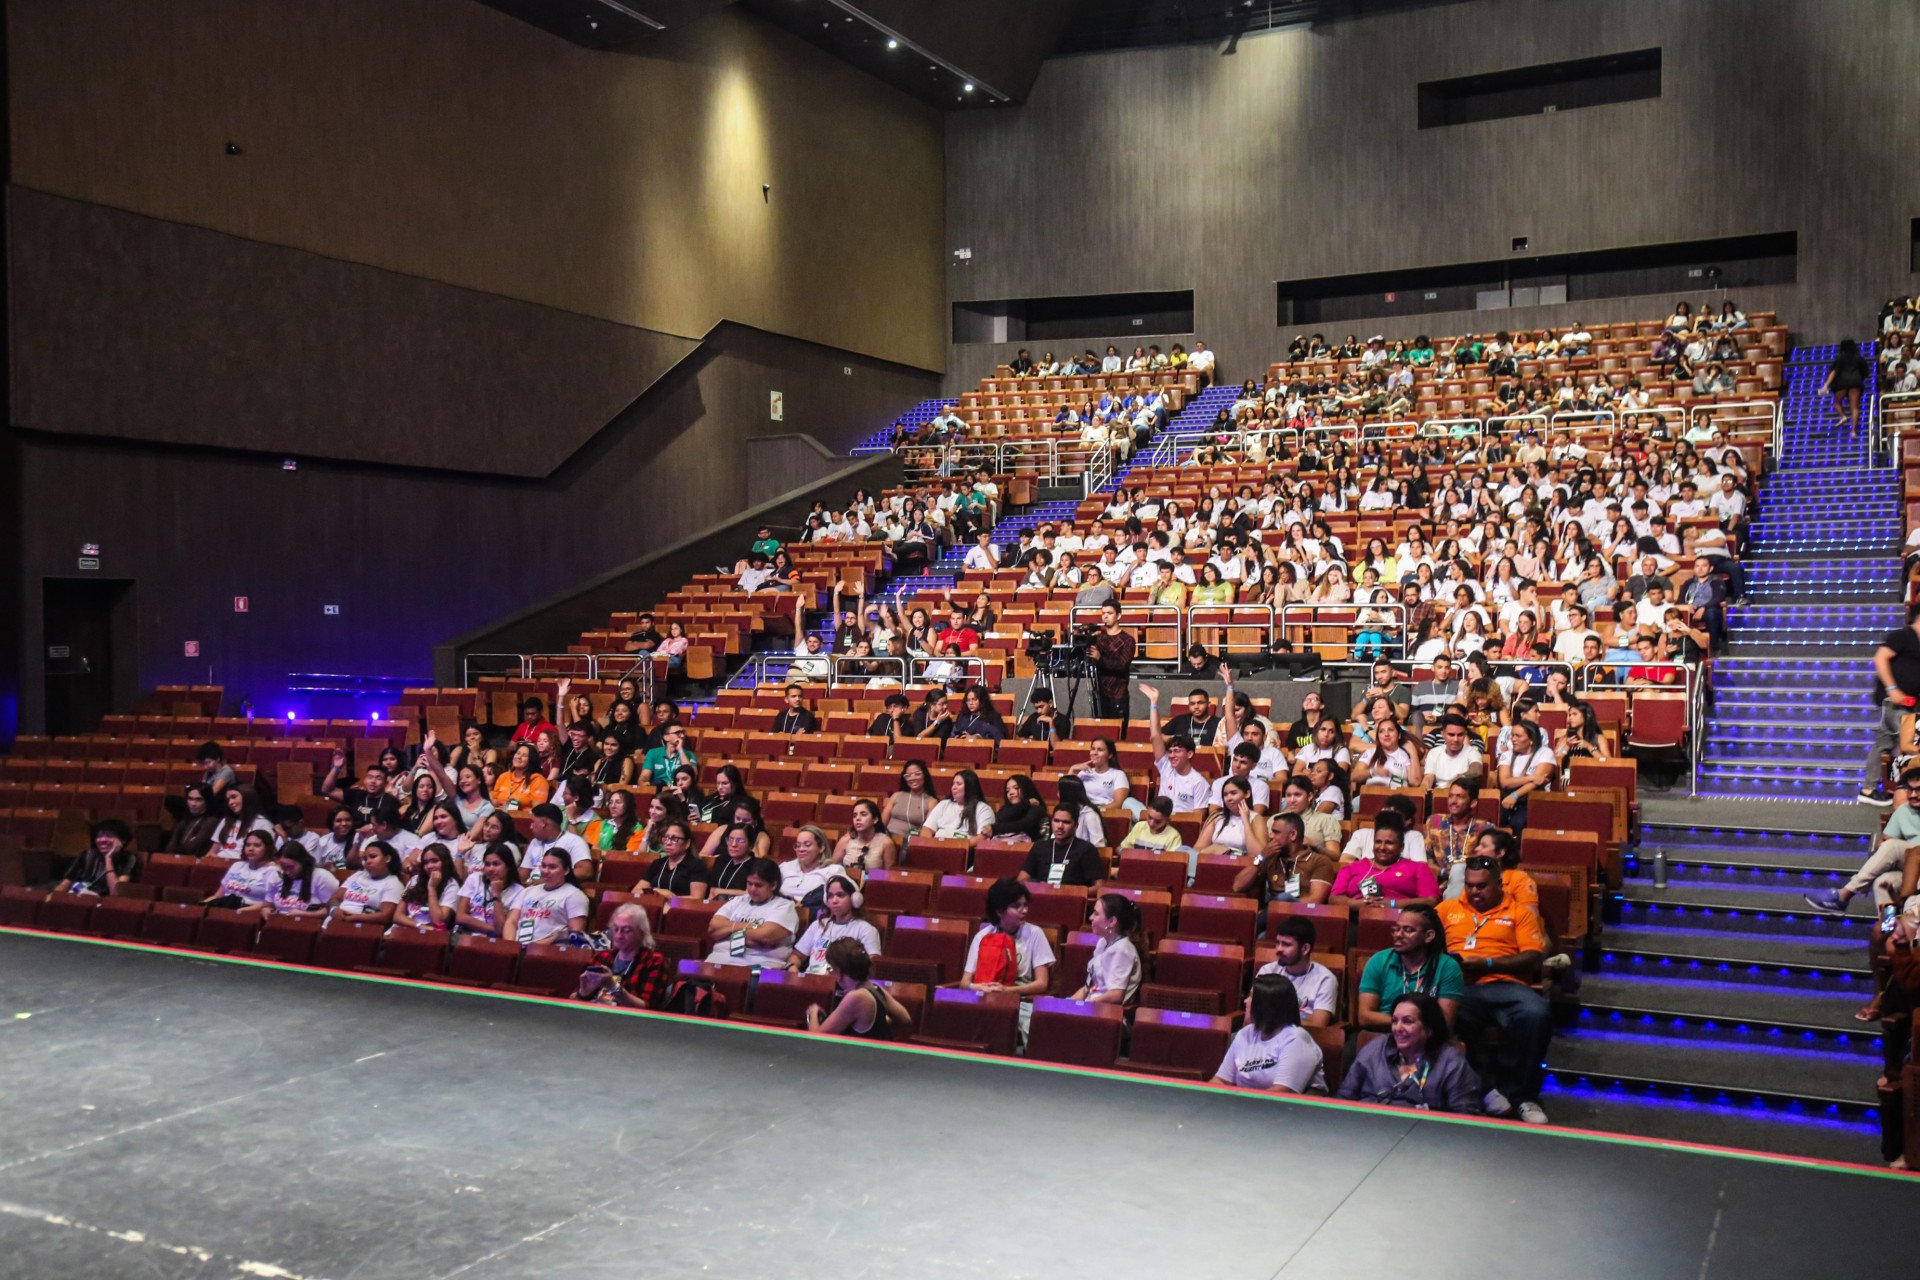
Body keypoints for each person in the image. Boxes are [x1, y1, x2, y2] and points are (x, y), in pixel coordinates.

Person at [1439, 857, 1552, 1123]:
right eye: (1470, 886)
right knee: (1444, 1014)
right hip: (1461, 986)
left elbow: (1533, 956)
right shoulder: (1446, 909)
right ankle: (1486, 1088)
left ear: (1499, 885)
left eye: (1481, 886)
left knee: (1537, 1014)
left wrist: (1487, 964)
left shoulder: (1519, 912)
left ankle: (1523, 1095)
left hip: (1507, 984)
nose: (1475, 892)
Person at [1337, 993, 1483, 1112]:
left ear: (1429, 1029)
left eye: (1408, 1021)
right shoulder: (1375, 1049)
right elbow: (1344, 1098)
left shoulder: (1450, 1061)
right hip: (1367, 1129)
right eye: (1394, 1021)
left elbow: (1465, 1115)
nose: (1398, 1028)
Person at [1808, 767, 1920, 916]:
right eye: (1909, 790)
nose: (1913, 795)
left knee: (1892, 847)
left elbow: (1891, 846)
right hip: (1912, 869)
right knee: (1883, 883)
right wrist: (1874, 868)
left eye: (1918, 790)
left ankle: (1845, 894)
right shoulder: (1903, 811)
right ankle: (1889, 928)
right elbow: (1884, 842)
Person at [960, 880, 1056, 1043]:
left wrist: (1006, 991)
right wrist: (979, 987)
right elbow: (964, 983)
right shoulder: (983, 936)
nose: (1024, 910)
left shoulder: (1034, 934)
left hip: (1020, 999)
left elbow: (1042, 984)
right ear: (999, 910)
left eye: (1025, 905)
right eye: (1016, 906)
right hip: (985, 998)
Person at [1210, 975, 1325, 1094]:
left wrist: (1239, 1101)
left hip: (1285, 1109)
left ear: (1265, 1005)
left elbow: (1283, 1092)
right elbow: (1220, 1080)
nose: (1246, 1001)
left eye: (1251, 996)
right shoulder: (1245, 1033)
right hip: (1243, 1104)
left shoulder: (1295, 1040)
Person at [1355, 906, 1465, 1030]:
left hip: (1427, 1042)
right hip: (1384, 1035)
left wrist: (1409, 1024)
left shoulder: (1447, 967)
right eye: (1396, 929)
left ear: (1428, 936)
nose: (1398, 935)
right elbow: (1364, 1017)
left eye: (1408, 930)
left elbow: (1445, 1024)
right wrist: (1407, 1023)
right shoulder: (1379, 960)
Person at [1861, 601, 1920, 806]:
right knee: (1905, 744)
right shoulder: (1903, 636)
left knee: (1885, 743)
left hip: (1911, 703)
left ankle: (1870, 789)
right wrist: (1893, 689)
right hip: (1896, 702)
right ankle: (1901, 791)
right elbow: (1880, 659)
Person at [803, 937, 912, 1039]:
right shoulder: (875, 987)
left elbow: (816, 1039)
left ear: (839, 972)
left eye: (831, 969)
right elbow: (905, 1018)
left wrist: (813, 1013)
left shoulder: (856, 997)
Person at [706, 857, 799, 968]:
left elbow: (764, 938)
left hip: (758, 966)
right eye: (749, 884)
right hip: (718, 960)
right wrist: (753, 926)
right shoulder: (738, 900)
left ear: (773, 885)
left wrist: (726, 934)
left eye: (758, 885)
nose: (752, 889)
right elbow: (713, 928)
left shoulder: (783, 906)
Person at [574, 903, 671, 1010]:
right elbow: (573, 999)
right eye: (616, 929)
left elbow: (647, 1008)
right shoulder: (602, 957)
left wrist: (613, 987)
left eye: (626, 930)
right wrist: (583, 993)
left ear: (642, 932)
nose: (618, 936)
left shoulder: (654, 961)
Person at [1329, 816, 1438, 907]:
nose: (1382, 847)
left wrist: (1393, 904)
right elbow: (1334, 899)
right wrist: (1357, 904)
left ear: (1401, 846)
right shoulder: (1351, 868)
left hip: (1402, 920)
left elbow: (1430, 900)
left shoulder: (1418, 868)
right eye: (1378, 842)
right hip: (1356, 917)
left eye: (1389, 843)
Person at [1139, 683, 1213, 813]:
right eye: (1171, 751)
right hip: (1158, 821)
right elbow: (1156, 736)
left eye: (1177, 751)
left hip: (1181, 826)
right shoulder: (1166, 768)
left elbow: (1198, 820)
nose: (1172, 755)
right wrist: (1153, 703)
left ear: (1189, 754)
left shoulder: (1198, 782)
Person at [789, 873, 884, 974]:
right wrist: (792, 968)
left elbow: (872, 965)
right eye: (830, 896)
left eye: (840, 895)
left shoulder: (866, 929)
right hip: (811, 982)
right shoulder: (818, 925)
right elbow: (797, 956)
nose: (834, 901)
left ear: (854, 899)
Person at [1255, 915, 1337, 1026]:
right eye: (1277, 943)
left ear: (1305, 949)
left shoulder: (1325, 979)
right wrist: (1305, 1017)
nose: (1279, 949)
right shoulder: (1268, 971)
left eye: (1286, 944)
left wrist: (1273, 1015)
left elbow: (1318, 1026)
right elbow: (1255, 1014)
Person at [504, 848, 591, 945]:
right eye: (543, 866)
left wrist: (535, 946)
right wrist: (511, 946)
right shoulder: (527, 891)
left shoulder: (574, 895)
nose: (545, 871)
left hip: (549, 951)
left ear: (566, 870)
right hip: (519, 947)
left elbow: (574, 932)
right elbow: (511, 922)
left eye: (552, 867)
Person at [1070, 893, 1144, 1005]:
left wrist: (1085, 1006)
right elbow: (1089, 987)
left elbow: (1116, 995)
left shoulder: (1123, 950)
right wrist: (1067, 1004)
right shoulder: (1102, 943)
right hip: (1092, 1005)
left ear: (1112, 921)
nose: (1090, 917)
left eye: (1096, 914)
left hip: (1107, 1013)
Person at [1018, 805, 1106, 887]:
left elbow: (1099, 886)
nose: (1060, 826)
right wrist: (1040, 887)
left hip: (1071, 899)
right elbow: (1021, 881)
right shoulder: (1039, 847)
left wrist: (1070, 891)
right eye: (1056, 821)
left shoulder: (1087, 849)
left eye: (1066, 822)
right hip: (1041, 896)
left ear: (1076, 825)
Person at [327, 840, 404, 927]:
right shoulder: (358, 875)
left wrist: (353, 918)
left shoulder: (393, 884)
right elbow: (334, 898)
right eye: (365, 858)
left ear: (387, 859)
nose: (368, 861)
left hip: (361, 928)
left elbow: (386, 916)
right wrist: (335, 909)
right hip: (334, 922)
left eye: (373, 856)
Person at [455, 843, 524, 938]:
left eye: (496, 864)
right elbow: (460, 917)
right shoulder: (474, 879)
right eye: (487, 864)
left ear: (508, 866)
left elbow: (502, 930)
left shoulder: (519, 891)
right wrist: (492, 929)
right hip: (466, 935)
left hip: (494, 942)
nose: (491, 869)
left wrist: (496, 895)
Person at [55, 819, 137, 896]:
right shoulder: (87, 854)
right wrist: (54, 896)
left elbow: (115, 893)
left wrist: (108, 859)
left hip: (105, 904)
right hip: (80, 898)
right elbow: (65, 883)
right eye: (99, 836)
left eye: (109, 836)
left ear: (122, 841)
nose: (102, 840)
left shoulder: (129, 859)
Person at [1085, 602, 1137, 719]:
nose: (1105, 616)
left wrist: (1099, 658)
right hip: (1099, 693)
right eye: (1103, 613)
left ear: (1118, 616)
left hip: (1117, 695)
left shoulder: (1127, 640)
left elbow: (1121, 665)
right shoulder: (1099, 638)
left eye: (1109, 613)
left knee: (1117, 732)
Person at [207, 831, 283, 911]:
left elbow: (271, 904)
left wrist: (240, 912)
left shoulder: (273, 872)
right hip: (225, 906)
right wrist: (202, 905)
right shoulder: (237, 866)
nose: (251, 849)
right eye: (248, 845)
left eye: (257, 845)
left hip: (250, 912)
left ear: (267, 848)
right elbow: (218, 895)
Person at [395, 843, 462, 931]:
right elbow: (397, 916)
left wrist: (432, 888)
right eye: (425, 862)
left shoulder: (452, 885)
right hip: (410, 928)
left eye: (434, 861)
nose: (429, 866)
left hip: (432, 934)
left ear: (445, 862)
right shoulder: (416, 879)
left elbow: (438, 921)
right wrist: (420, 926)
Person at [638, 819, 710, 899]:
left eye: (674, 839)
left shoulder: (696, 865)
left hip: (680, 908)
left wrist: (672, 897)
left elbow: (697, 898)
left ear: (687, 843)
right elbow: (636, 891)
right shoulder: (657, 863)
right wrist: (657, 891)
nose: (668, 843)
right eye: (666, 838)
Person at [521, 803, 594, 882]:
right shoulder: (535, 842)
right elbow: (524, 873)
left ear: (543, 823)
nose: (531, 827)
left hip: (557, 890)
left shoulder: (574, 841)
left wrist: (550, 879)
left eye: (533, 822)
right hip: (531, 889)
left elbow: (586, 872)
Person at [269, 844, 339, 918]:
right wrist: (268, 912)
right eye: (283, 867)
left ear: (303, 862)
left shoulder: (322, 877)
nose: (287, 872)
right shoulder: (277, 875)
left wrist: (303, 914)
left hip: (308, 923)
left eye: (291, 867)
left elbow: (330, 909)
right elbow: (267, 905)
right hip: (279, 922)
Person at [832, 800, 897, 876]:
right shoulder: (845, 840)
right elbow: (833, 870)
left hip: (872, 885)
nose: (858, 818)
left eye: (863, 814)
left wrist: (866, 877)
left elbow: (888, 875)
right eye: (855, 816)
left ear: (875, 819)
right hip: (847, 884)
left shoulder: (886, 843)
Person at [1822, 337, 1871, 433]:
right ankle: (1853, 431)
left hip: (1842, 382)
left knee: (1837, 402)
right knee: (1855, 407)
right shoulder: (1859, 358)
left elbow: (1834, 372)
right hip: (1856, 381)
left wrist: (1826, 385)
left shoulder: (1840, 358)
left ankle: (1843, 416)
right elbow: (1866, 373)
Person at [925, 769, 993, 839]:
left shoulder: (983, 809)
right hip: (938, 844)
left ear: (969, 787)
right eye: (953, 784)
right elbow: (927, 829)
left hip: (966, 847)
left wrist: (960, 846)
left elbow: (982, 837)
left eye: (959, 784)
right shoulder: (944, 804)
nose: (954, 787)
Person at [1118, 796, 1185, 852]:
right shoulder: (1140, 826)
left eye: (1158, 822)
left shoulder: (1173, 836)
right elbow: (1122, 848)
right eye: (1150, 818)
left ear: (1168, 820)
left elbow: (1172, 863)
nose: (1151, 823)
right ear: (1147, 811)